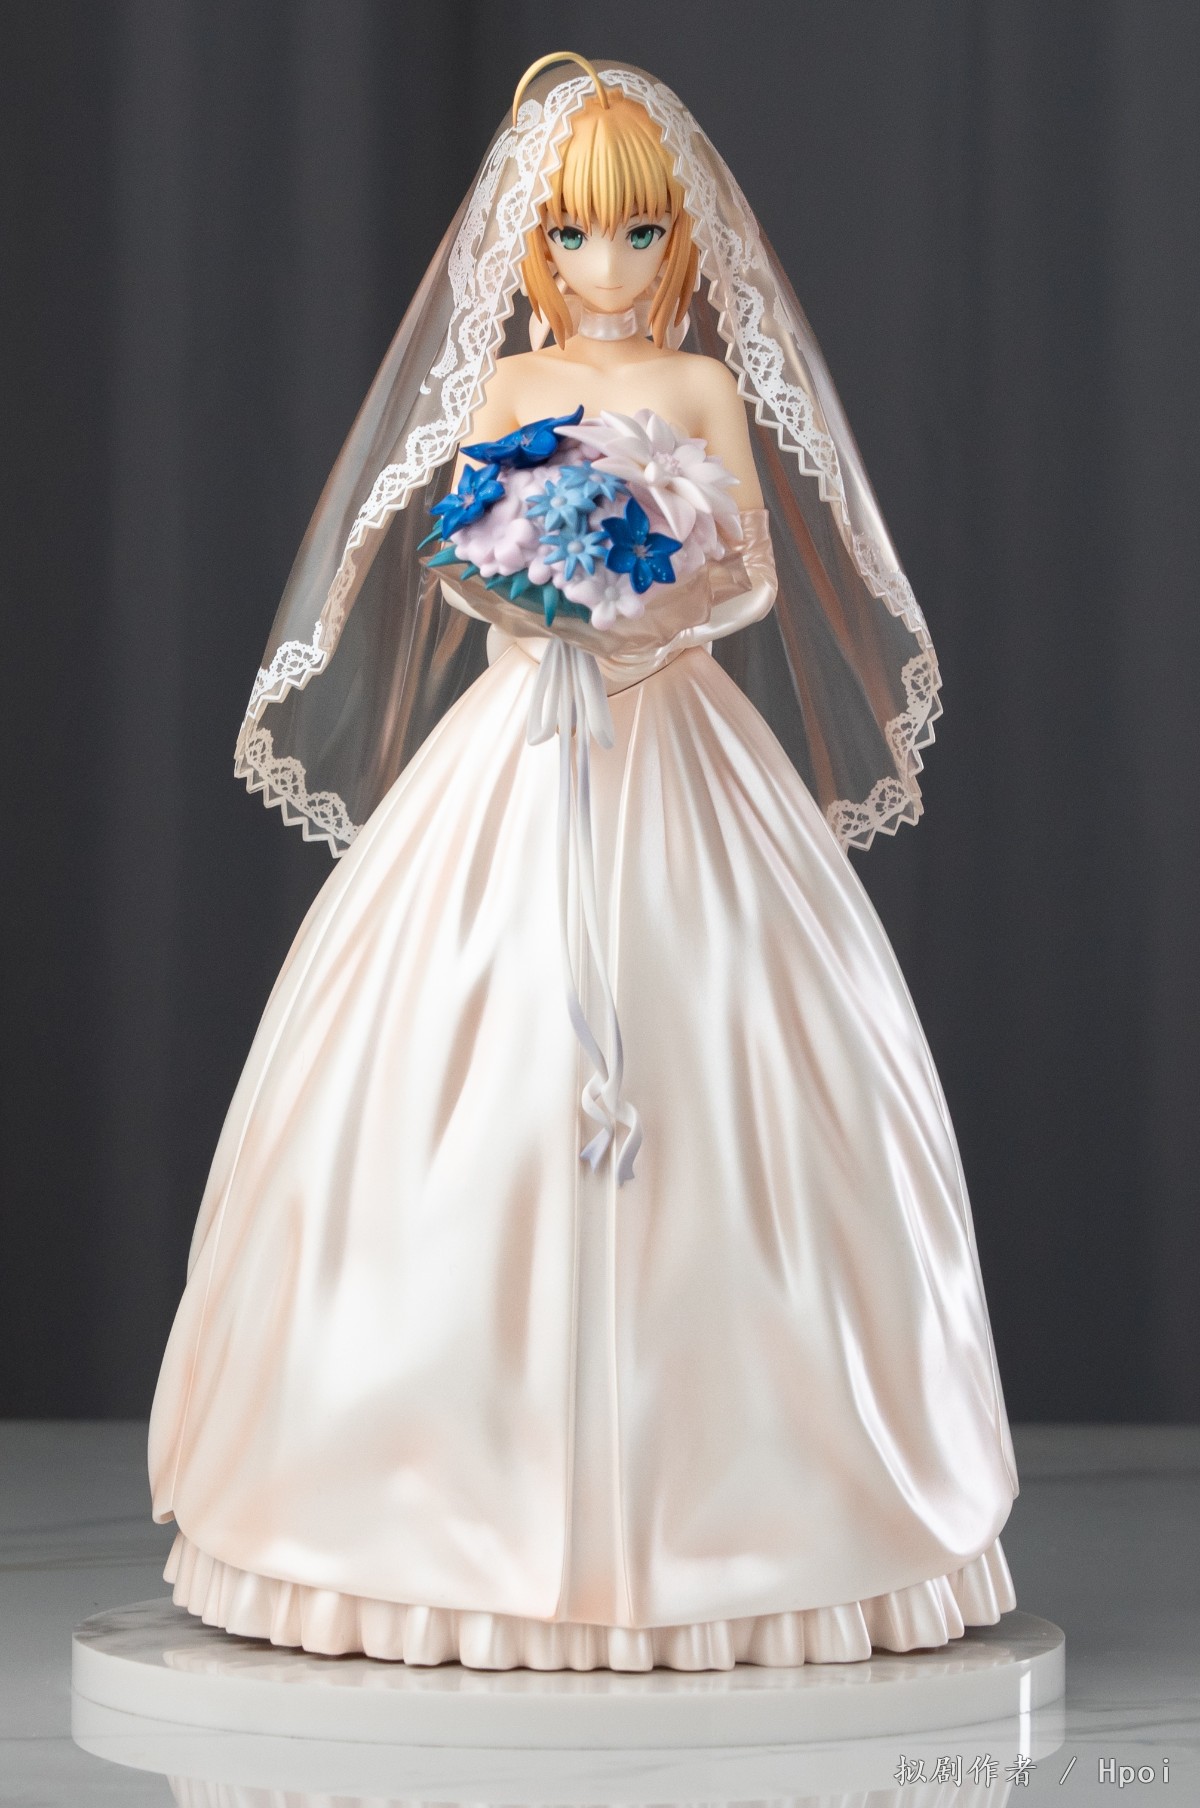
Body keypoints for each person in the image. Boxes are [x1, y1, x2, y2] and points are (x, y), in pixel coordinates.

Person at [148, 53, 1019, 1673]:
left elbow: (753, 580)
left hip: (674, 739)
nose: (606, 267)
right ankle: (415, 1518)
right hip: (519, 750)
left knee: (745, 1061)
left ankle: (764, 1519)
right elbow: (457, 563)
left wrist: (657, 612)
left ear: (682, 242)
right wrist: (529, 598)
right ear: (530, 245)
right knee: (443, 1065)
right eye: (572, 235)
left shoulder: (696, 389)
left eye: (637, 234)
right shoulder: (505, 389)